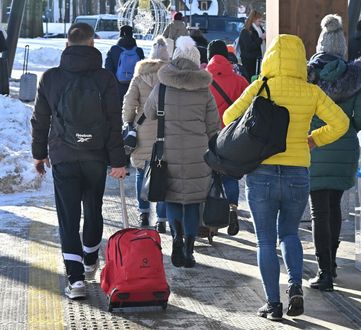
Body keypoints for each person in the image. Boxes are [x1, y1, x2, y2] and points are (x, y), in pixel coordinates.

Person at [223, 34, 349, 320]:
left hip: (262, 172)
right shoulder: (310, 91)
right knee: (290, 233)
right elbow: (340, 123)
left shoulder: (261, 87)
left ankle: (273, 304)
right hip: (297, 173)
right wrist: (314, 139)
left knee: (265, 241)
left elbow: (228, 117)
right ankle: (295, 286)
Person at [31, 23, 127, 299]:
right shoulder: (105, 79)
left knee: (68, 217)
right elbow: (113, 123)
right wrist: (118, 161)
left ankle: (75, 280)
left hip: (63, 157)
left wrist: (39, 154)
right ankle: (89, 260)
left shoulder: (50, 78)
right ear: (92, 44)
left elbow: (40, 120)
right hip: (95, 156)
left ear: (67, 44)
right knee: (93, 209)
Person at [308, 14, 361, 292]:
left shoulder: (307, 74)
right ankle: (332, 265)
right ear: (342, 47)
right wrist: (348, 130)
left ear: (320, 45)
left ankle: (323, 272)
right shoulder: (355, 75)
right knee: (335, 208)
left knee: (318, 211)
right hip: (344, 149)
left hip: (313, 147)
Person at [144, 36, 220, 268]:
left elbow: (148, 113)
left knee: (174, 198)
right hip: (199, 155)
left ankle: (176, 239)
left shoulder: (162, 87)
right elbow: (213, 126)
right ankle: (189, 247)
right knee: (193, 202)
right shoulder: (204, 90)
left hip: (169, 153)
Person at [122, 36, 170, 233]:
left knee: (142, 171)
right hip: (166, 130)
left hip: (142, 129)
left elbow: (129, 102)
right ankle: (161, 218)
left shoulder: (139, 76)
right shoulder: (171, 75)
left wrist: (129, 122)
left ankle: (143, 212)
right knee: (164, 172)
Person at [206, 39, 249, 236]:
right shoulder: (240, 81)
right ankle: (232, 209)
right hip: (232, 137)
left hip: (209, 136)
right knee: (230, 176)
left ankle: (210, 220)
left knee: (210, 178)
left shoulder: (202, 79)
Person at [105, 25, 145, 104]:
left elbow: (108, 68)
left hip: (117, 87)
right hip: (135, 86)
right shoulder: (139, 51)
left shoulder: (114, 49)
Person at [238, 10, 265, 80]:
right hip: (249, 61)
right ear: (253, 20)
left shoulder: (260, 30)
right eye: (259, 21)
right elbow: (249, 47)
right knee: (250, 79)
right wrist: (261, 39)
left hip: (258, 59)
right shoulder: (246, 31)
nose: (260, 24)